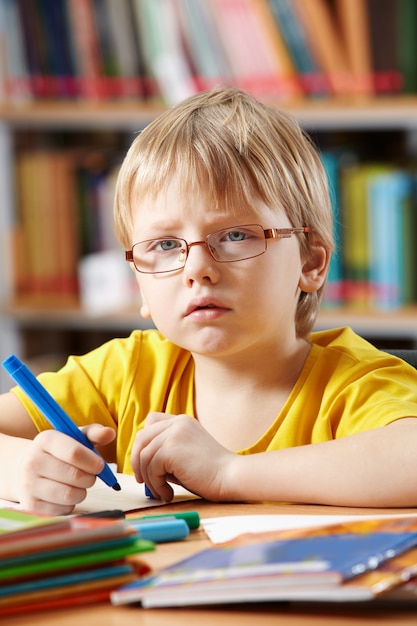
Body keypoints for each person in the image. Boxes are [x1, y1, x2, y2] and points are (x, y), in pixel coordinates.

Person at [1, 86, 417, 516]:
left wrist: (228, 473)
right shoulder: (125, 374)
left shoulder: (354, 383)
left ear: (310, 263)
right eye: (164, 244)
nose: (197, 268)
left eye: (235, 235)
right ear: (140, 284)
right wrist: (19, 469)